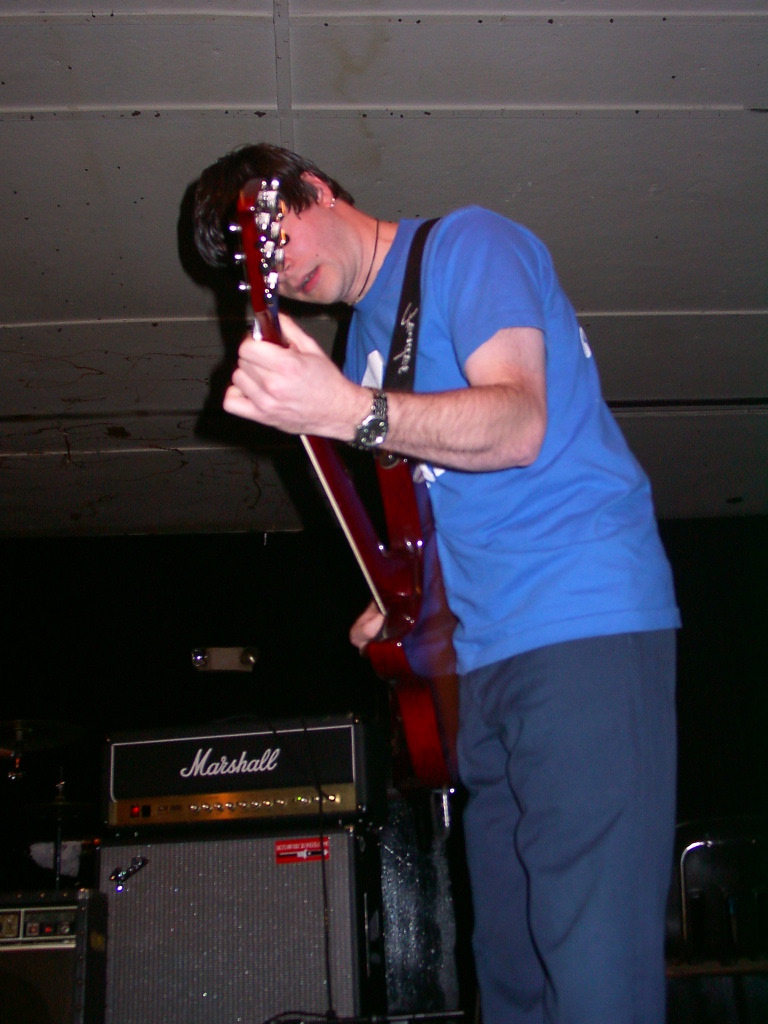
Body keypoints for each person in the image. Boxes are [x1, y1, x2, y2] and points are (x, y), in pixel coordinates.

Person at [193, 143, 680, 1024]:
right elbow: (434, 511)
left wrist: (346, 409)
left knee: (592, 959)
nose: (281, 272)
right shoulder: (364, 344)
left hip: (579, 618)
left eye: (274, 236)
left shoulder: (468, 245)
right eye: (256, 266)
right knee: (510, 967)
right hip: (478, 657)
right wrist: (401, 597)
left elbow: (520, 422)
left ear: (317, 190)